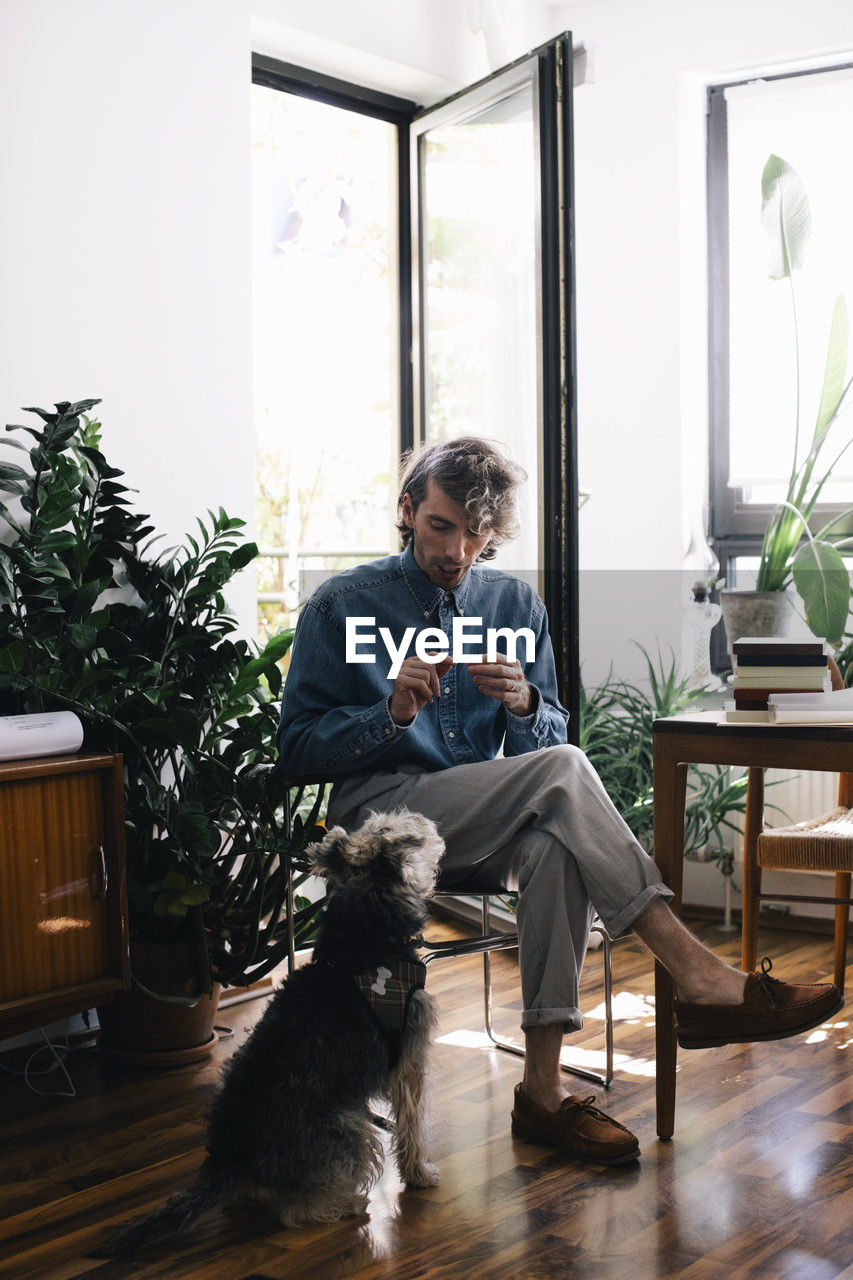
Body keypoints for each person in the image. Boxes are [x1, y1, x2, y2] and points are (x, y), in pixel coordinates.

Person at [277, 437, 841, 1167]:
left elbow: (545, 738)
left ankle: (540, 1096)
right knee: (563, 774)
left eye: (478, 533)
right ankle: (697, 977)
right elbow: (295, 752)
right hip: (383, 824)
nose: (459, 549)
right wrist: (385, 714)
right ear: (408, 510)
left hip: (474, 822)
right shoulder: (342, 605)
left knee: (553, 843)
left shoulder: (512, 604)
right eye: (443, 525)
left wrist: (523, 705)